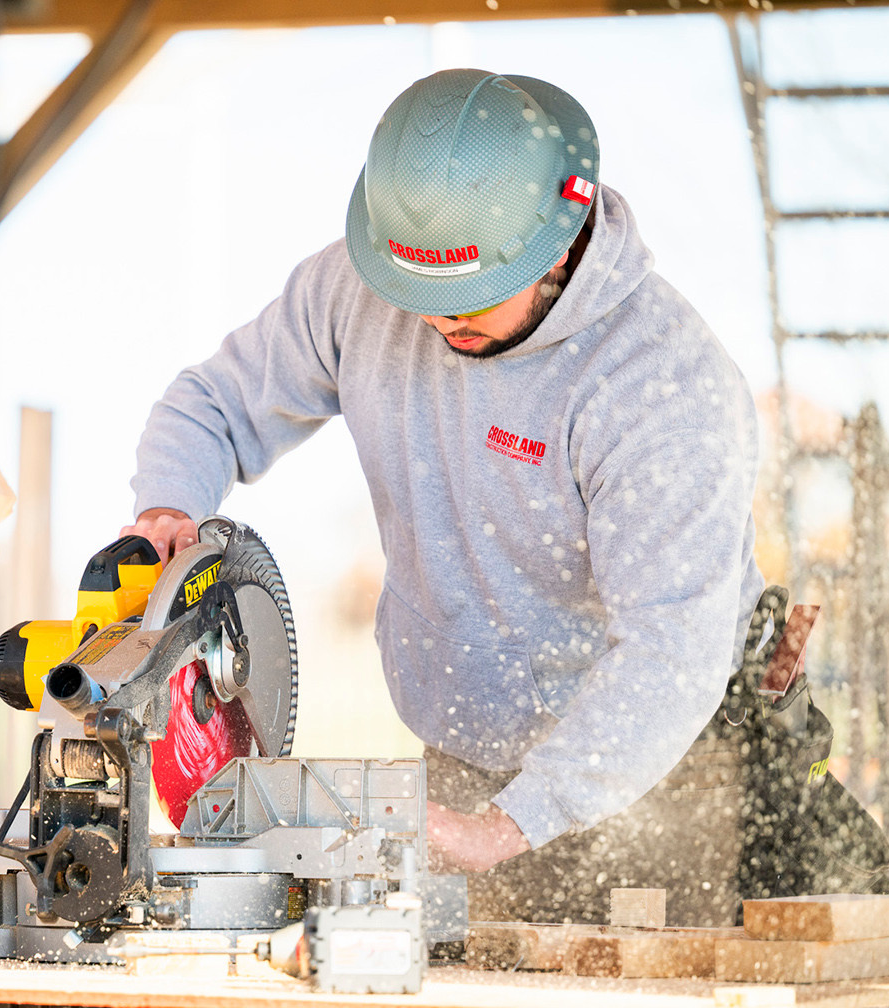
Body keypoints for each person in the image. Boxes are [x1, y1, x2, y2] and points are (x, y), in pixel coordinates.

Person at [124, 68, 766, 926]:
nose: (437, 322)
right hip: (468, 754)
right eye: (419, 295)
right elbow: (213, 403)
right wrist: (169, 506)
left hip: (653, 768)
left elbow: (670, 653)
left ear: (561, 245)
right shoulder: (363, 291)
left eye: (469, 298)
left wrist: (510, 826)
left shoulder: (660, 384)